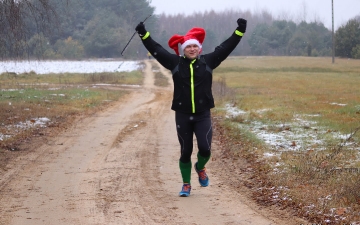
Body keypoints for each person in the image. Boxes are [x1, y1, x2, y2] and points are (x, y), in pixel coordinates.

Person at [135, 18, 247, 197]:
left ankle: (200, 167)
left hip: (203, 114)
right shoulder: (175, 63)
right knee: (185, 151)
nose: (192, 49)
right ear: (183, 49)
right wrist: (143, 34)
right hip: (183, 115)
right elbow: (157, 50)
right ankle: (186, 184)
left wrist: (239, 31)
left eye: (195, 46)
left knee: (205, 148)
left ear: (199, 48)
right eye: (188, 47)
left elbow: (226, 47)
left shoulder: (208, 61)